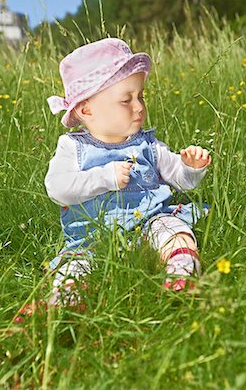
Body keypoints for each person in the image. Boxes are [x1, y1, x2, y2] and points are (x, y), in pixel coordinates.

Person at [45, 37, 211, 306]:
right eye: (126, 100)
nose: (139, 107)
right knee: (76, 266)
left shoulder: (147, 144)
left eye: (140, 96)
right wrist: (104, 178)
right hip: (93, 238)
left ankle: (182, 275)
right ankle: (66, 303)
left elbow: (180, 180)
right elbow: (57, 189)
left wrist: (191, 168)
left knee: (174, 229)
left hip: (150, 222)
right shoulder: (72, 147)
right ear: (87, 110)